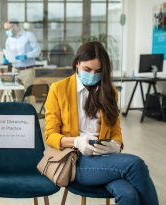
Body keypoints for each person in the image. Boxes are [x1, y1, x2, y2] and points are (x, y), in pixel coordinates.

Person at [44, 41, 159, 205]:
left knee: (129, 195)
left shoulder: (110, 91)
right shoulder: (58, 89)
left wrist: (116, 145)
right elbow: (50, 135)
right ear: (77, 64)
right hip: (76, 160)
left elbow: (115, 130)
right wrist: (77, 141)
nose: (92, 74)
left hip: (106, 159)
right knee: (135, 164)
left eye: (98, 71)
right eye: (87, 69)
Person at [4, 19, 41, 106]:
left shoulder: (28, 35)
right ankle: (20, 118)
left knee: (29, 96)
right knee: (18, 97)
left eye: (7, 29)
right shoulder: (9, 39)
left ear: (15, 26)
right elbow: (8, 53)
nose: (6, 31)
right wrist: (7, 58)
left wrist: (26, 56)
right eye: (5, 29)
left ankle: (32, 118)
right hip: (15, 70)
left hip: (27, 70)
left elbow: (37, 50)